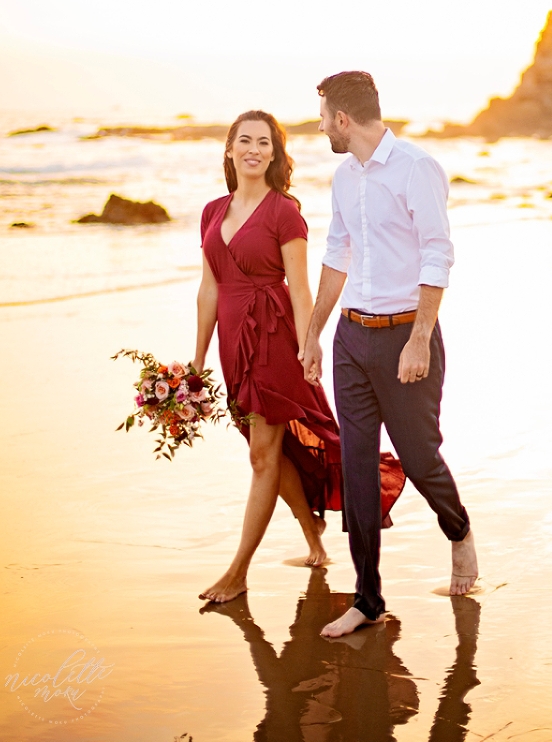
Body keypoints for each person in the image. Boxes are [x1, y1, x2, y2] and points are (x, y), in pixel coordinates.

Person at [194, 109, 404, 603]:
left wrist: (310, 344)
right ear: (229, 149)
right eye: (245, 140)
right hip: (233, 345)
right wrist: (198, 362)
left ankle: (238, 572)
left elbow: (301, 288)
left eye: (264, 142)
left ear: (275, 154)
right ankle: (313, 532)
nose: (254, 149)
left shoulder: (284, 212)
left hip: (273, 339)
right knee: (269, 449)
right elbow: (209, 290)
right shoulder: (211, 212)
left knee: (261, 455)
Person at [301, 73, 478, 638]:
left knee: (420, 458)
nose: (321, 127)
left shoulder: (416, 168)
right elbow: (336, 254)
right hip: (352, 339)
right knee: (355, 467)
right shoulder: (343, 177)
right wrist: (314, 333)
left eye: (324, 117)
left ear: (343, 119)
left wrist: (420, 338)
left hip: (407, 336)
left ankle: (459, 531)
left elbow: (437, 253)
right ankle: (367, 599)